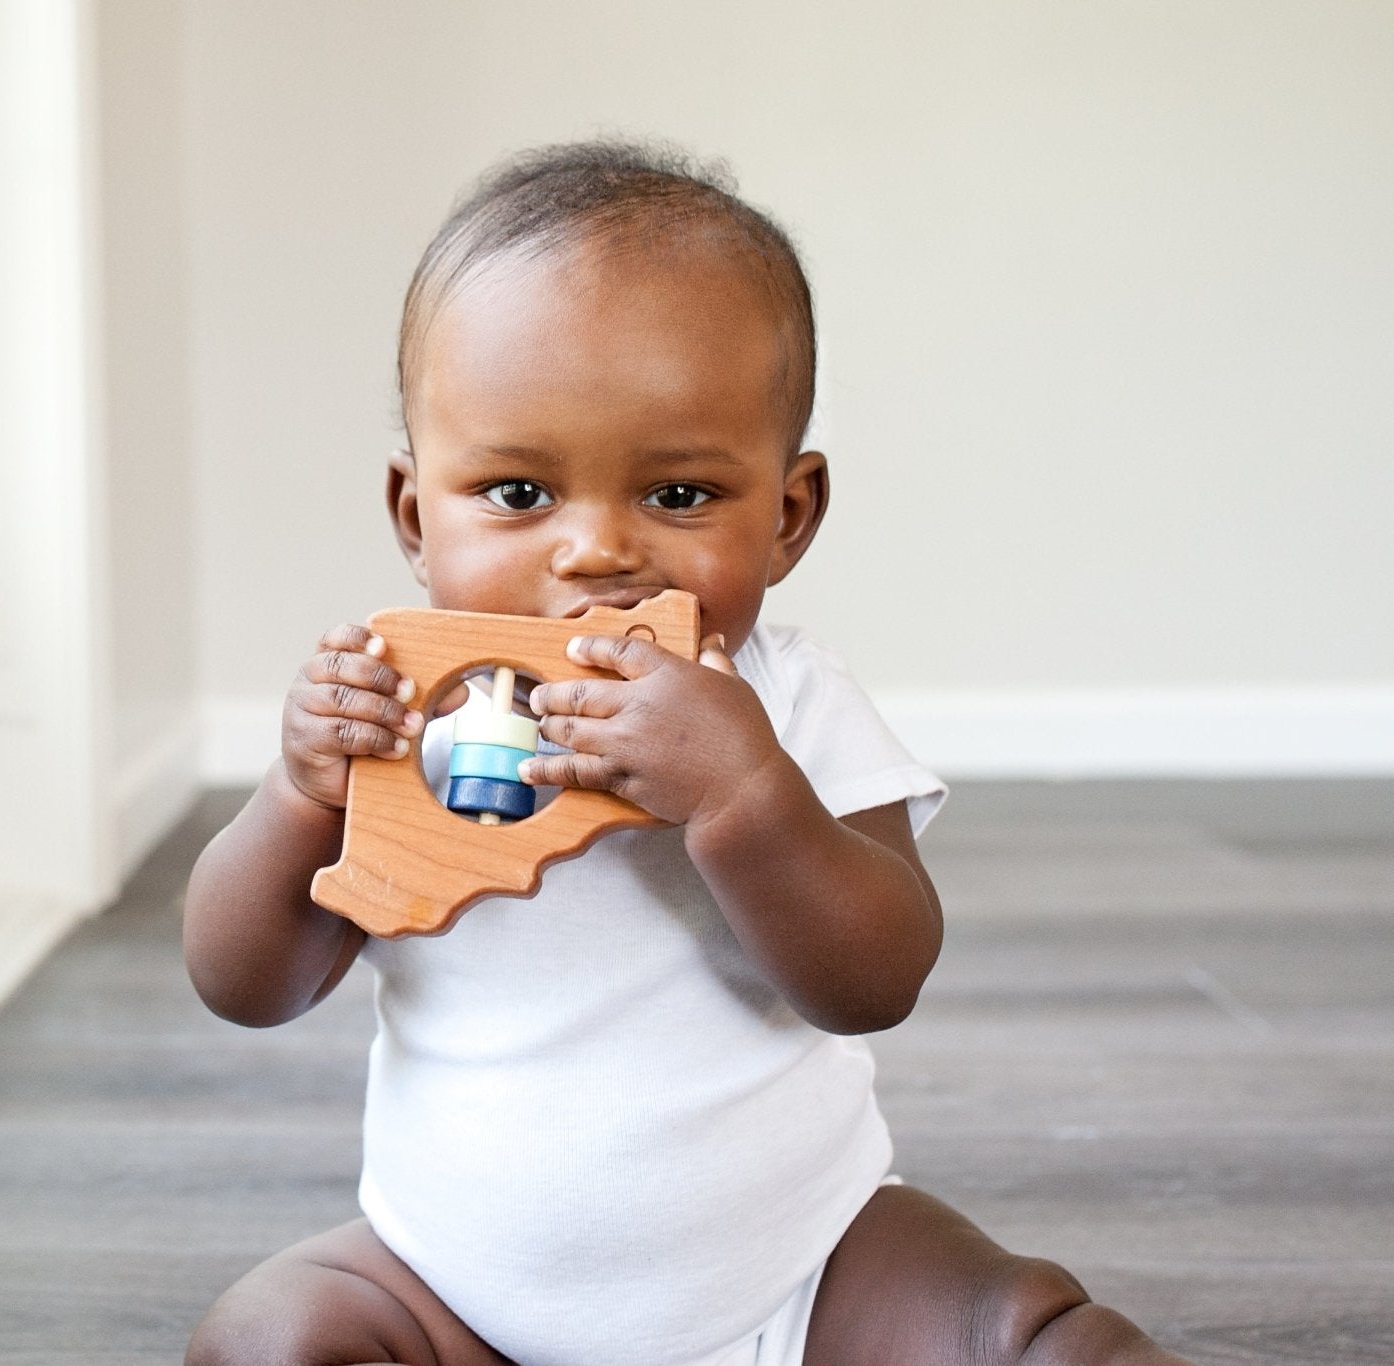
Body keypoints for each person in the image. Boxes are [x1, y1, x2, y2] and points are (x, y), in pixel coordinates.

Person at [181, 139, 1191, 1366]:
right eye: (513, 492)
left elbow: (874, 979)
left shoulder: (789, 705)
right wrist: (298, 801)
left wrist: (742, 794)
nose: (597, 552)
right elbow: (245, 986)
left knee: (1031, 1330)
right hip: (454, 1289)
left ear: (786, 515)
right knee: (268, 1338)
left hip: (799, 1272)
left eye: (676, 496)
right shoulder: (399, 714)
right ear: (412, 514)